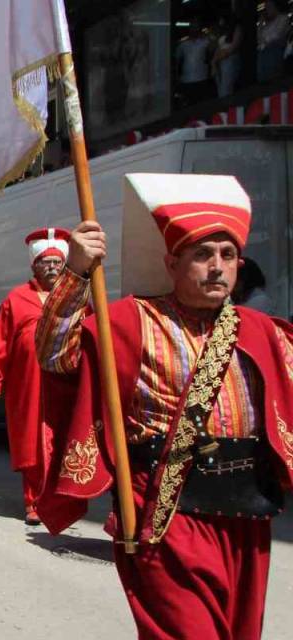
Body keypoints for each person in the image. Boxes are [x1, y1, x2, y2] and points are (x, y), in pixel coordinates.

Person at [35, 174, 293, 640]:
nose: (217, 267)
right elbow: (56, 354)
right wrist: (75, 271)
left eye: (228, 255)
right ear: (172, 262)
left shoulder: (264, 331)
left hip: (246, 513)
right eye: (203, 255)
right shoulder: (132, 318)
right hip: (164, 508)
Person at [0, 228, 70, 526]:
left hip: (63, 383)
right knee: (32, 442)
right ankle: (33, 501)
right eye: (46, 262)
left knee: (62, 440)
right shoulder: (16, 298)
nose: (52, 268)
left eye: (57, 263)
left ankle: (58, 500)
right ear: (34, 266)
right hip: (27, 386)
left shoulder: (74, 296)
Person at [257, 0, 289, 82]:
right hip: (263, 55)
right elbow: (259, 39)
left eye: (269, 7)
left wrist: (265, 41)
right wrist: (261, 24)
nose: (267, 10)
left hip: (275, 52)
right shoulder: (266, 25)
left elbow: (276, 35)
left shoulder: (283, 18)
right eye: (266, 8)